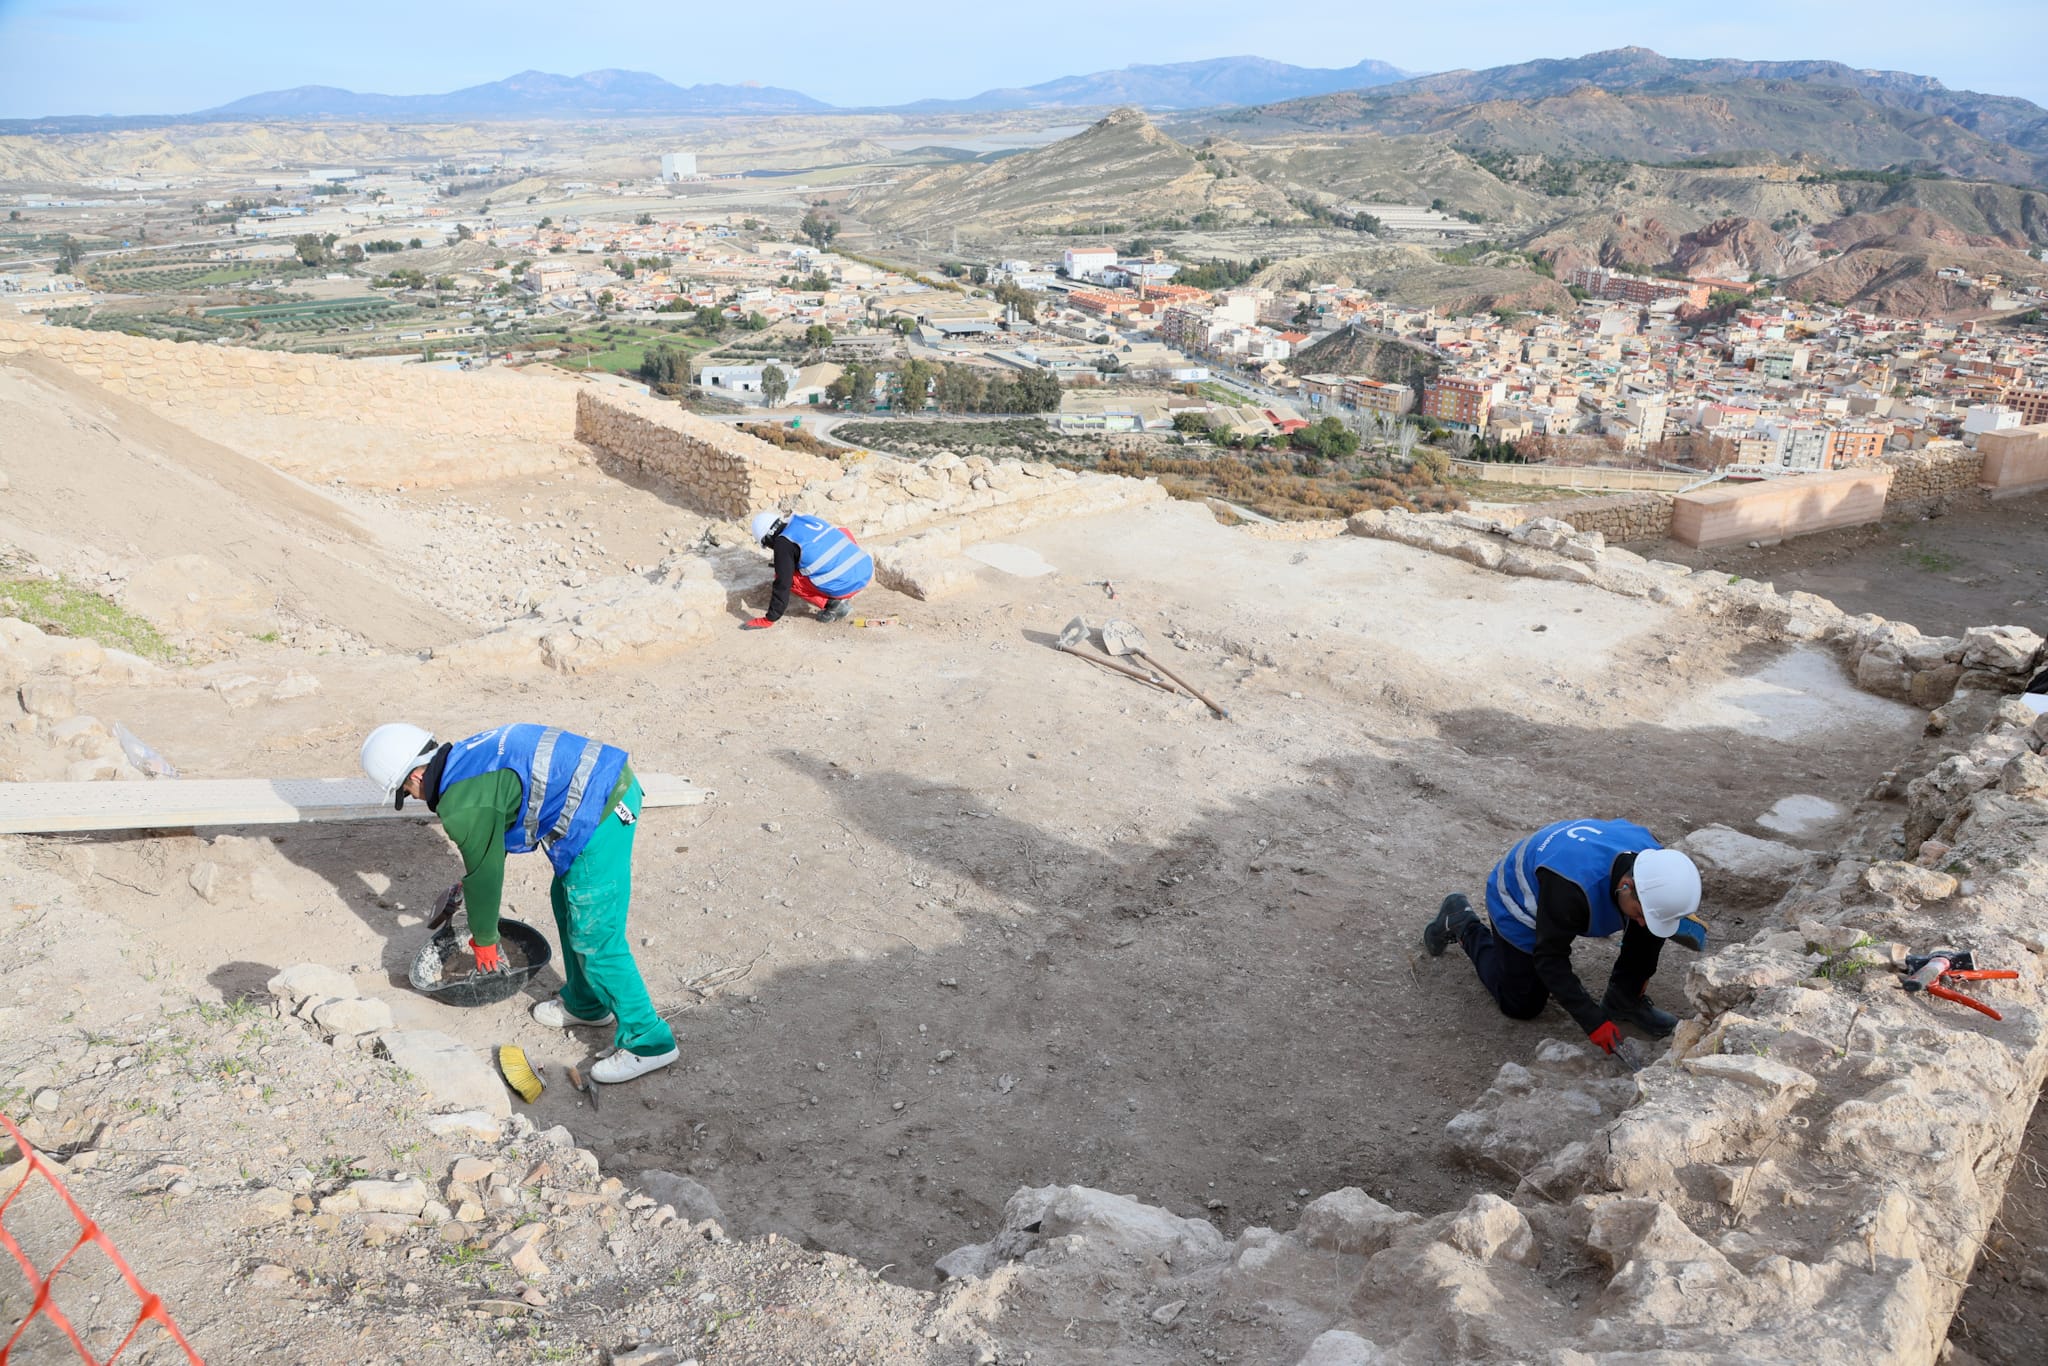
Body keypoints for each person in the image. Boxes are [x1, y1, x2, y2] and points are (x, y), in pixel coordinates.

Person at [360, 722, 678, 1084]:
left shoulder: (461, 803)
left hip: (605, 805)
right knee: (566, 901)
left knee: (594, 933)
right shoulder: (465, 756)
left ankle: (648, 1040)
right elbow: (491, 837)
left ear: (417, 774)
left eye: (407, 790)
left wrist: (484, 939)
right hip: (600, 786)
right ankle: (586, 1004)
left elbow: (486, 872)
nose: (415, 797)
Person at [1422, 818, 1703, 1072]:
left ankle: (1624, 1000)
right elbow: (1550, 958)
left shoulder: (1653, 862)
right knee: (1521, 1004)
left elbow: (1654, 913)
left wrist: (1664, 919)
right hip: (1519, 902)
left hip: (1573, 875)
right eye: (1639, 912)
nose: (1640, 922)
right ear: (1626, 884)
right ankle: (1463, 923)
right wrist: (1592, 1020)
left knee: (1653, 925)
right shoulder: (1570, 890)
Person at [742, 510, 873, 629]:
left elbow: (782, 584)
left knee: (789, 578)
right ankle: (845, 581)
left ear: (768, 538)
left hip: (847, 585)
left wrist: (769, 619)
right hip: (865, 569)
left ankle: (833, 605)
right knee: (841, 531)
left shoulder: (783, 543)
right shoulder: (804, 519)